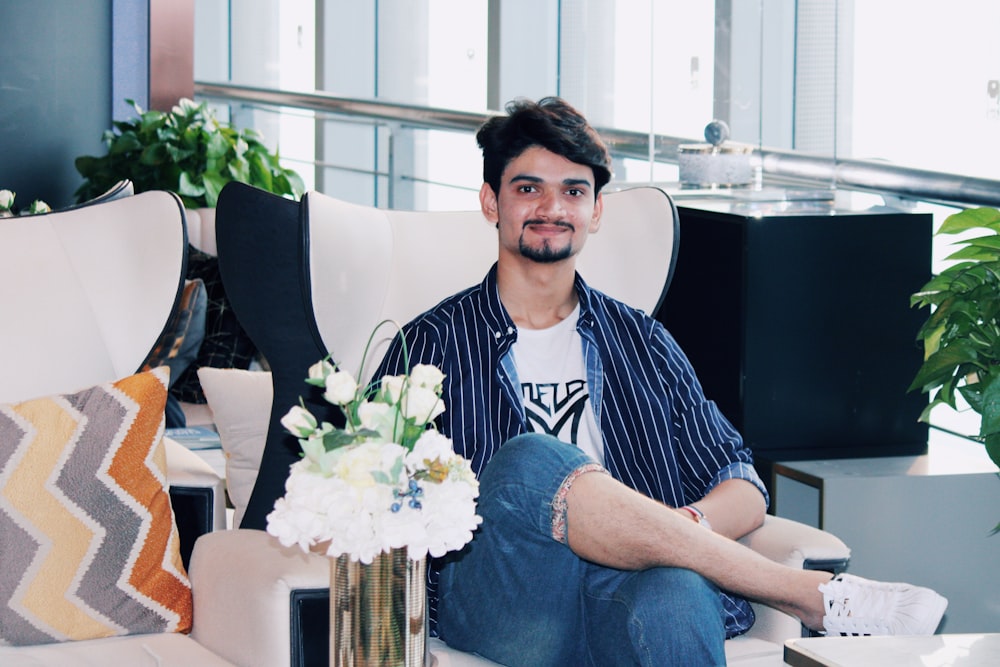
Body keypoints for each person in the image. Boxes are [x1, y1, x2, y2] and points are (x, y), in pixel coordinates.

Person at [370, 96, 947, 666]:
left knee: (678, 588)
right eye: (528, 189)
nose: (552, 206)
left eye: (573, 190)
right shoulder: (428, 346)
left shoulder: (642, 342)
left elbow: (742, 485)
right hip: (512, 608)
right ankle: (807, 596)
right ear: (491, 202)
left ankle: (693, 561)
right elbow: (368, 494)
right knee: (529, 463)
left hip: (623, 591)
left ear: (596, 211)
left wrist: (675, 531)